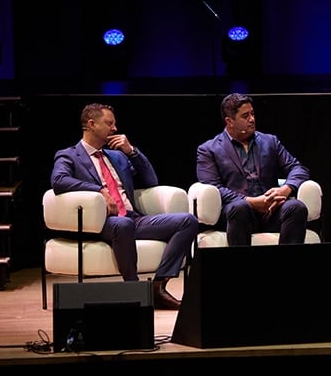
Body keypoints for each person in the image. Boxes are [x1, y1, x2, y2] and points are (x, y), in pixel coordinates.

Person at [50, 103, 198, 310]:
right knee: (123, 225)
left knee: (187, 220)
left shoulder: (117, 156)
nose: (114, 129)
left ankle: (158, 286)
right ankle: (134, 290)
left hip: (133, 218)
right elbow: (59, 180)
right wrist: (99, 190)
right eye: (109, 123)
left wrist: (132, 152)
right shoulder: (69, 155)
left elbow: (151, 180)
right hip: (103, 222)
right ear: (91, 124)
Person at [196, 93, 310, 246]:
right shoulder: (209, 149)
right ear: (229, 122)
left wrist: (286, 189)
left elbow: (298, 168)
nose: (252, 119)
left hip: (271, 210)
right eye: (245, 116)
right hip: (237, 213)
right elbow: (214, 187)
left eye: (252, 113)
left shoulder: (270, 142)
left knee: (296, 207)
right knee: (240, 208)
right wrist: (251, 202)